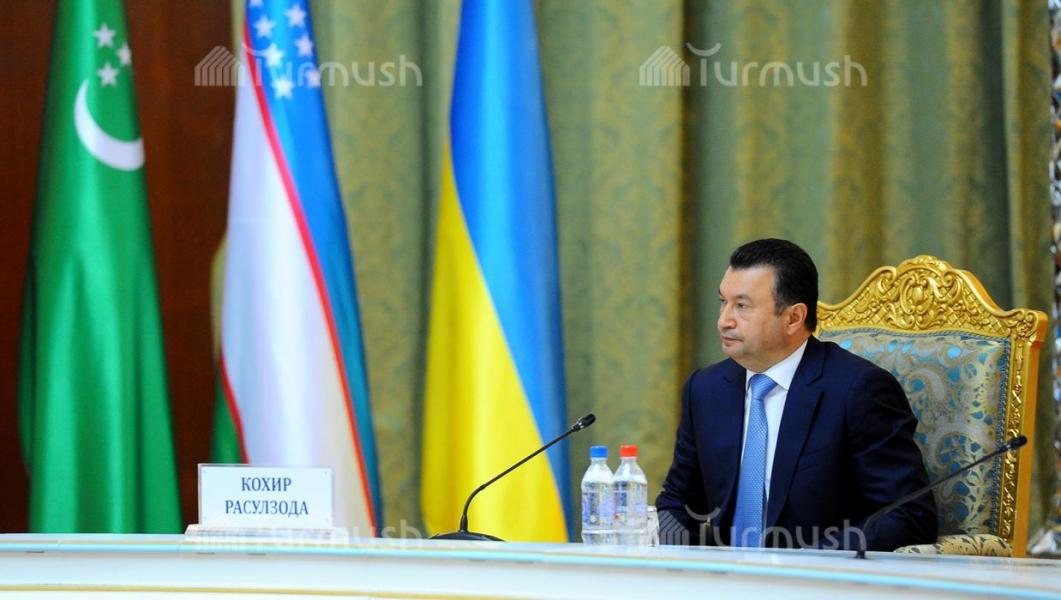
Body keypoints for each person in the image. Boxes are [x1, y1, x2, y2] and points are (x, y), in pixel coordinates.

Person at [655, 238, 937, 551]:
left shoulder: (859, 390)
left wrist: (809, 560)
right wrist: (674, 563)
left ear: (793, 318)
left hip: (817, 574)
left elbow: (909, 516)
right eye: (723, 302)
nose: (724, 321)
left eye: (742, 306)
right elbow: (677, 501)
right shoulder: (705, 389)